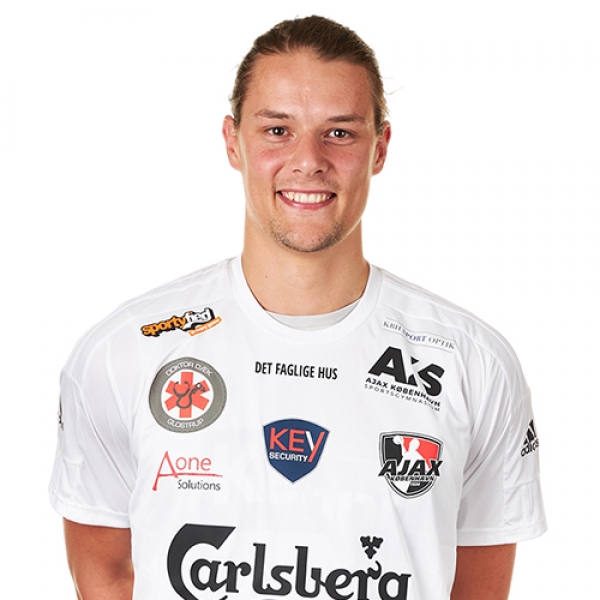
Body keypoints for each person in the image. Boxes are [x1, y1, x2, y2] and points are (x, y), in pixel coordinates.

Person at [49, 15, 546, 600]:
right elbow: (110, 575)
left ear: (380, 147)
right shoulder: (124, 352)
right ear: (232, 142)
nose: (308, 160)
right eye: (278, 130)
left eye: (339, 132)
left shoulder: (473, 362)